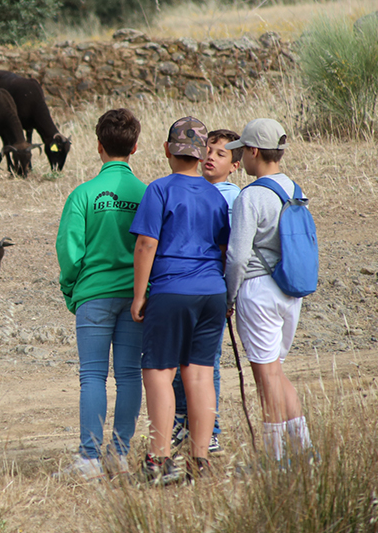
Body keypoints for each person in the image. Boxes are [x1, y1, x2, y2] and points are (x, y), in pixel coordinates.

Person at [129, 117, 230, 484]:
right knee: (200, 373)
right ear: (203, 153)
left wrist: (140, 295)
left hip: (172, 292)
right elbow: (223, 249)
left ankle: (159, 459)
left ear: (168, 150)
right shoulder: (216, 195)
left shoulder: (159, 190)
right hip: (212, 292)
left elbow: (146, 244)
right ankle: (199, 460)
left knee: (159, 372)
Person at [55, 108, 147, 481]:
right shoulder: (146, 194)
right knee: (129, 376)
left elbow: (69, 249)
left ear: (98, 146)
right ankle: (120, 455)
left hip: (92, 295)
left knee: (92, 376)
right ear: (136, 147)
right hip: (136, 296)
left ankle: (89, 459)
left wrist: (70, 288)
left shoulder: (83, 194)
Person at [224, 118, 312, 461]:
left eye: (242, 151)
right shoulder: (295, 189)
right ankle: (303, 450)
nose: (240, 159)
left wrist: (228, 296)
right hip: (290, 289)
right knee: (276, 371)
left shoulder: (251, 196)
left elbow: (237, 257)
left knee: (265, 378)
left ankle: (276, 461)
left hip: (258, 290)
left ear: (254, 151)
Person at [170, 129, 241, 454]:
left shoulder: (227, 197)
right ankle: (185, 423)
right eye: (208, 150)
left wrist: (228, 295)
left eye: (221, 153)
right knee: (192, 361)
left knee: (204, 363)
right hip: (203, 291)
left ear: (235, 165)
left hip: (209, 292)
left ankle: (207, 429)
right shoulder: (203, 191)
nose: (211, 156)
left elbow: (231, 251)